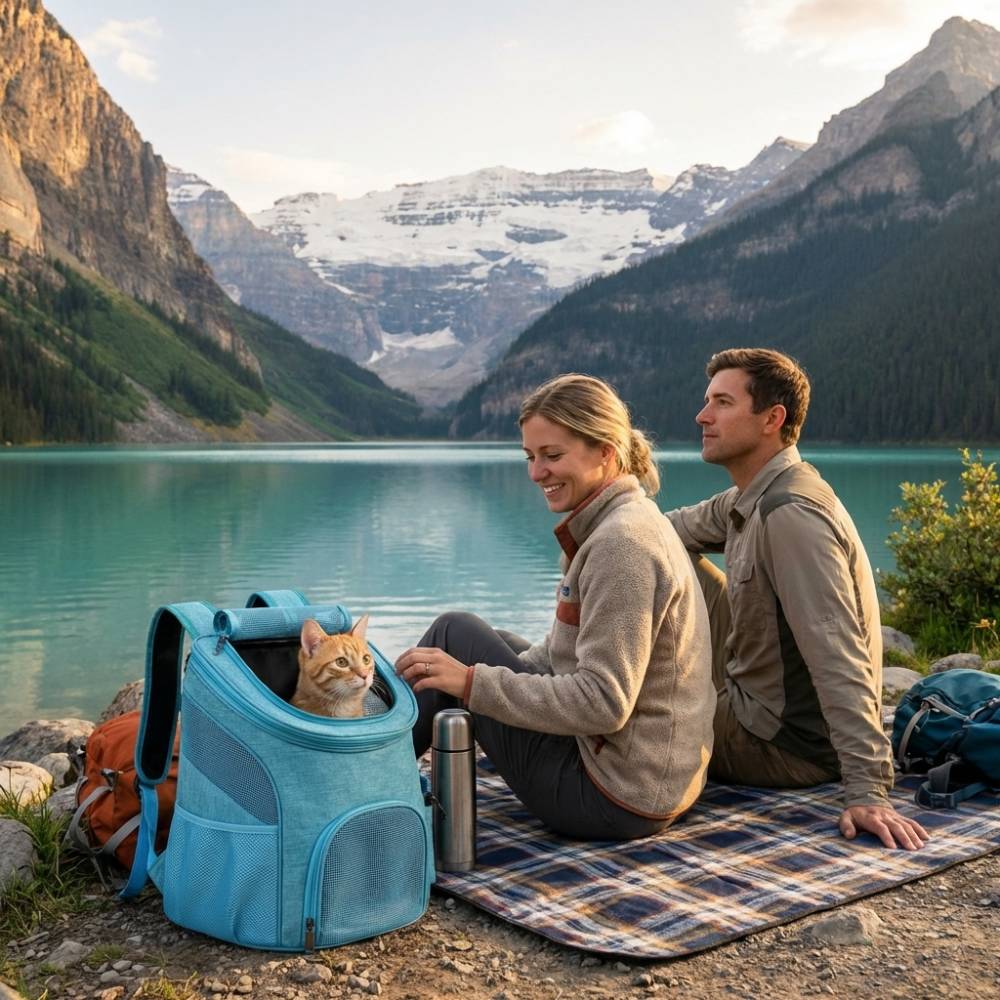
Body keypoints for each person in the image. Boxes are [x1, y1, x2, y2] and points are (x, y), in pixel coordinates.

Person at [395, 373, 715, 840]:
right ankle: (380, 768)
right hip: (648, 780)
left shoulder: (621, 545)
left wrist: (471, 683)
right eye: (530, 456)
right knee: (487, 645)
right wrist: (485, 681)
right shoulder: (620, 520)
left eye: (552, 455)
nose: (535, 472)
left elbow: (604, 704)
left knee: (453, 633)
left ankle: (366, 787)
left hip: (614, 797)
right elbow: (561, 653)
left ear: (606, 451)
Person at [666, 347, 929, 850]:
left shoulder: (791, 513)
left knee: (631, 710)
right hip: (758, 696)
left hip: (782, 745)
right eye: (707, 401)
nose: (702, 416)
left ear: (772, 418)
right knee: (646, 550)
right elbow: (659, 532)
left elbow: (839, 655)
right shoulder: (756, 493)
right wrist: (599, 533)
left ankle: (560, 690)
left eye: (721, 402)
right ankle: (572, 680)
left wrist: (868, 789)